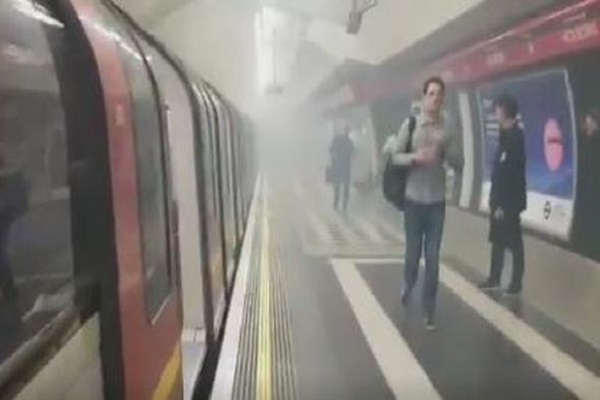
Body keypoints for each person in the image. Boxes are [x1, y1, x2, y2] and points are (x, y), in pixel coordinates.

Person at [385, 77, 462, 330]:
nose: (435, 98)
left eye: (439, 94)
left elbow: (458, 161)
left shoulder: (447, 128)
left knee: (432, 256)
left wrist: (446, 153)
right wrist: (415, 158)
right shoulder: (410, 124)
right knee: (413, 253)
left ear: (443, 99)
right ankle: (408, 282)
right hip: (413, 200)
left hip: (436, 201)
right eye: (431, 94)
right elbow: (395, 156)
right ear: (423, 97)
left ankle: (429, 309)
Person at [479, 94, 527, 295]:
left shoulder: (515, 138)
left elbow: (511, 174)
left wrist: (501, 204)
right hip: (499, 198)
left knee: (514, 241)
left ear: (506, 111)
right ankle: (494, 277)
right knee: (498, 239)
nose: (495, 113)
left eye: (498, 109)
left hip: (509, 201)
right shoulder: (504, 135)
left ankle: (515, 283)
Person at [573, 108, 600, 260]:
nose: (589, 125)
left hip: (594, 188)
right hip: (583, 187)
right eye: (587, 122)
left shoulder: (595, 143)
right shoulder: (580, 140)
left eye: (592, 122)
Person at [329, 124, 354, 213]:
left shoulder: (338, 139)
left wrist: (335, 157)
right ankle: (342, 205)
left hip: (338, 166)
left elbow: (331, 150)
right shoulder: (348, 141)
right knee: (342, 187)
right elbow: (352, 153)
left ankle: (338, 205)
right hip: (343, 167)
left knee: (338, 187)